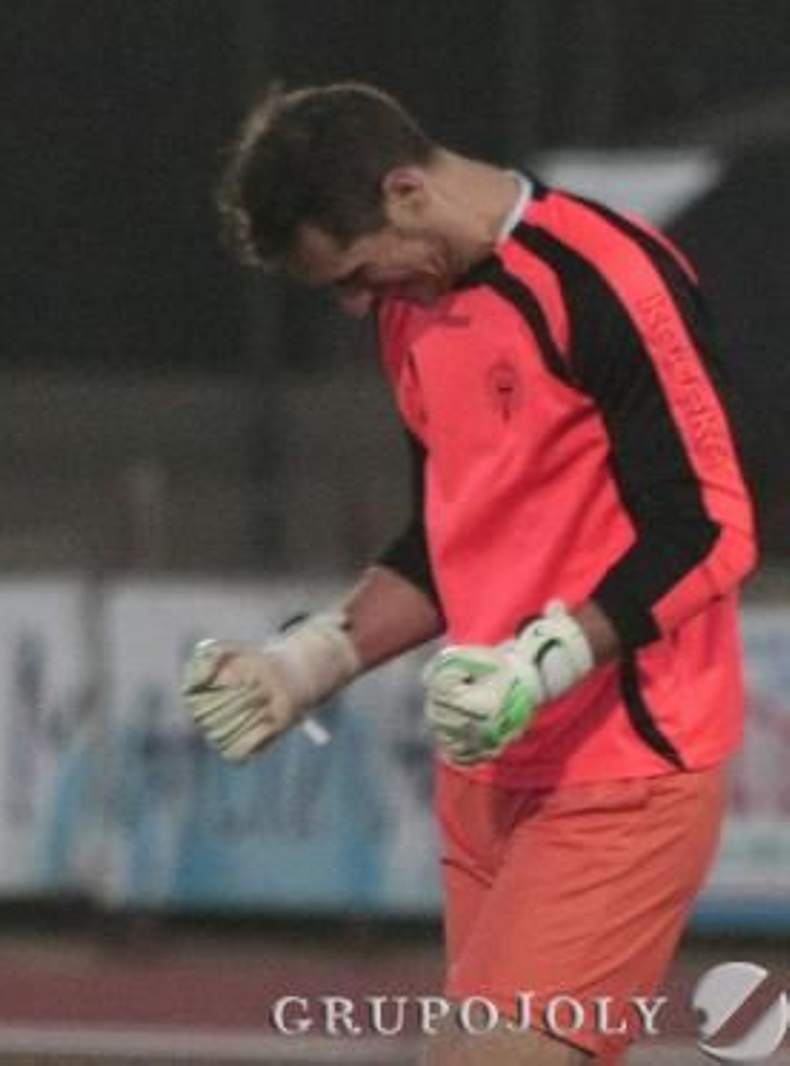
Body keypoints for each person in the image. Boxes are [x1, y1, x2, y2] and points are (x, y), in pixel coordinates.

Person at [182, 83, 757, 1066]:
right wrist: (309, 660)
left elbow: (709, 528)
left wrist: (545, 659)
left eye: (356, 272)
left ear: (406, 192)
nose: (358, 301)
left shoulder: (605, 277)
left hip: (625, 768)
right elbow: (447, 542)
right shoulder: (408, 311)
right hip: (487, 772)